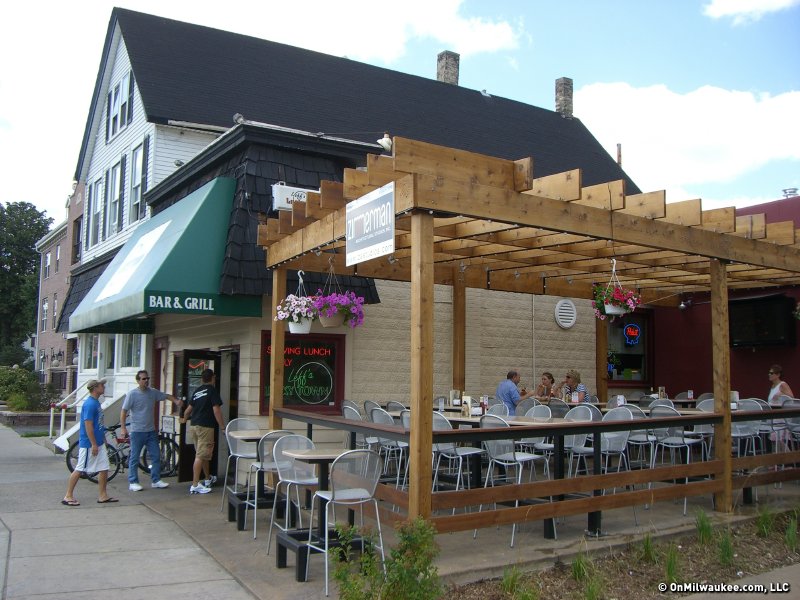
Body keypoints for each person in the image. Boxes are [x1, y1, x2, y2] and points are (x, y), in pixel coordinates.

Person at [119, 370, 179, 491]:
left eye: (147, 378)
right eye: (143, 379)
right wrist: (123, 427)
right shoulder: (132, 394)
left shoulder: (152, 392)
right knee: (135, 457)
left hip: (150, 431)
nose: (146, 381)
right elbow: (124, 411)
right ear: (138, 380)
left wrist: (176, 401)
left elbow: (166, 395)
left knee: (156, 455)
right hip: (137, 431)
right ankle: (133, 482)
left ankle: (156, 480)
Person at [62, 379, 118, 506]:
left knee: (104, 468)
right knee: (80, 469)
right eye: (101, 385)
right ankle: (68, 496)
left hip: (99, 442)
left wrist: (102, 438)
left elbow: (99, 423)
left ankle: (103, 495)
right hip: (88, 444)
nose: (104, 387)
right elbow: (88, 425)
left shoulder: (96, 403)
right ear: (95, 388)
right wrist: (93, 443)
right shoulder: (89, 404)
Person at [180, 369, 225, 494]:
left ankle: (207, 478)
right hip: (205, 426)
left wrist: (184, 420)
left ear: (202, 379)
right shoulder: (212, 391)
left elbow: (187, 411)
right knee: (200, 455)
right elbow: (216, 410)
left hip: (194, 425)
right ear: (213, 378)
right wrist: (222, 427)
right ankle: (195, 484)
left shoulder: (197, 391)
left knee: (203, 453)